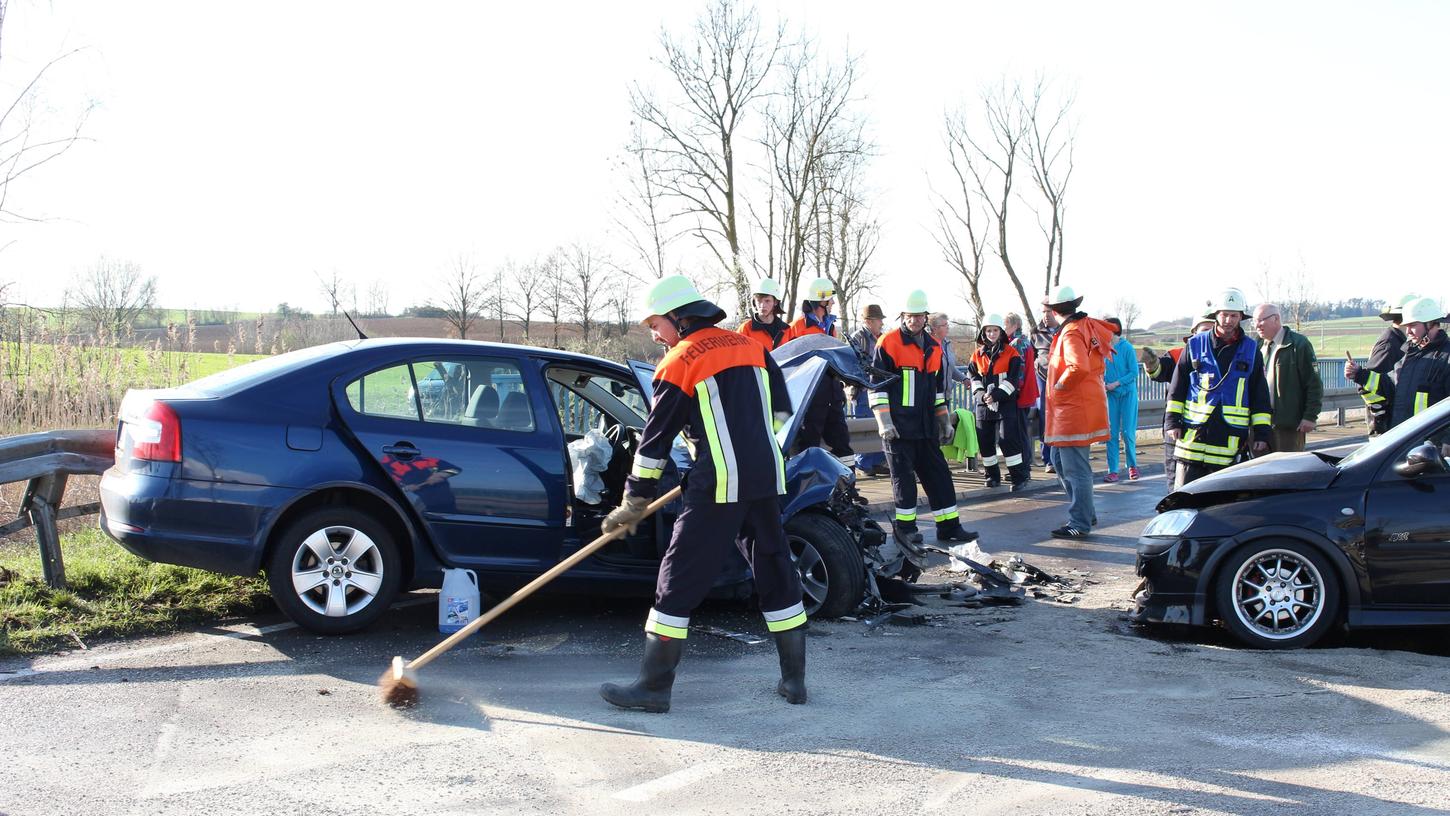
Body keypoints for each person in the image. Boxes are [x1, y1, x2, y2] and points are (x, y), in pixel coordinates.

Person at [599, 275, 807, 713]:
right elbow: (784, 410)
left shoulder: (680, 361)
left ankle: (653, 688)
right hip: (767, 477)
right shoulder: (752, 347)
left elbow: (653, 444)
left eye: (656, 323)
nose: (653, 334)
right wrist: (751, 446)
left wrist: (634, 500)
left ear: (678, 317)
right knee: (774, 568)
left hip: (718, 484)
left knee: (678, 576)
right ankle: (794, 682)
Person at [870, 289, 979, 547]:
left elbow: (937, 390)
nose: (914, 320)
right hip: (898, 428)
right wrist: (884, 422)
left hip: (926, 427)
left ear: (925, 317)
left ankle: (949, 527)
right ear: (903, 316)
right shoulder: (888, 343)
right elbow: (877, 387)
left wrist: (943, 421)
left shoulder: (933, 347)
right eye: (910, 316)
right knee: (904, 480)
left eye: (919, 316)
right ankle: (905, 530)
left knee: (939, 476)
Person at [1164, 288, 1271, 490]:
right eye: (1224, 314)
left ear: (1241, 317)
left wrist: (1262, 433)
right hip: (1191, 441)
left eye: (1234, 315)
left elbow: (1260, 394)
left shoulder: (1251, 350)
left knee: (1220, 505)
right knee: (1184, 499)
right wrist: (1172, 421)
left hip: (1228, 443)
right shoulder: (1195, 345)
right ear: (1216, 315)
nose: (1228, 320)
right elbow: (1178, 387)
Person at [1041, 285, 1116, 538]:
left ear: (1055, 311)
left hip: (1073, 410)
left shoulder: (1071, 332)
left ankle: (1080, 521)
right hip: (1077, 408)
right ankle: (1085, 513)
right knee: (1062, 462)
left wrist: (1059, 387)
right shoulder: (1082, 326)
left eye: (1047, 310)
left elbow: (1078, 367)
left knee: (1075, 468)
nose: (1045, 315)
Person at [782, 277, 855, 466]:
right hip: (809, 397)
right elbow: (787, 365)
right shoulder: (796, 328)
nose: (832, 302)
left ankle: (848, 489)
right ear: (821, 301)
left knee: (842, 444)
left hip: (832, 393)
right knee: (808, 446)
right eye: (830, 299)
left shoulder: (830, 326)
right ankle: (808, 492)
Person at [1139, 317, 1214, 494]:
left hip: (1212, 434)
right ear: (1193, 333)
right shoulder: (1178, 354)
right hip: (1179, 431)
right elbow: (1161, 371)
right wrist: (1152, 365)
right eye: (1204, 330)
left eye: (1212, 330)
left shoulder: (1228, 356)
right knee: (1178, 486)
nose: (1209, 336)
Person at [967, 314, 1030, 490]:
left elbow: (1013, 379)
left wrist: (995, 395)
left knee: (1008, 440)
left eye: (995, 330)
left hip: (1006, 404)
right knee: (985, 442)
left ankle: (1019, 478)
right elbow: (973, 378)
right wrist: (981, 396)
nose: (992, 334)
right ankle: (992, 476)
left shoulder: (1012, 353)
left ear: (1001, 332)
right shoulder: (976, 355)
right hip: (983, 405)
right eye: (988, 330)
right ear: (983, 332)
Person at [1253, 303, 1322, 453]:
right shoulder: (1256, 346)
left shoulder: (1298, 344)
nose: (1257, 325)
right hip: (1260, 426)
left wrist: (1310, 416)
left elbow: (1313, 383)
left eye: (1260, 320)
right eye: (1254, 321)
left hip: (1288, 426)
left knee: (1287, 470)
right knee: (1259, 473)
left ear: (1276, 319)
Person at [1345, 293, 1417, 435]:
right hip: (1385, 429)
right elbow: (1367, 385)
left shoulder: (1400, 341)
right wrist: (1381, 415)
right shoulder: (1389, 345)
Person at [1380, 296, 1450, 428]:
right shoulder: (1409, 355)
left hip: (1433, 443)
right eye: (1406, 326)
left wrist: (1447, 440)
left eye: (1412, 325)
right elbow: (1390, 386)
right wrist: (1359, 374)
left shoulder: (1447, 357)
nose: (1408, 331)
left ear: (1430, 324)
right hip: (1405, 437)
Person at [847, 304, 888, 477]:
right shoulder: (858, 338)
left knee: (877, 424)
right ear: (869, 321)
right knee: (864, 424)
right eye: (879, 320)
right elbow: (851, 363)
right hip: (862, 388)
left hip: (877, 387)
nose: (881, 323)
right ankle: (864, 464)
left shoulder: (880, 337)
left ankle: (877, 461)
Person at [1101, 317, 1140, 482]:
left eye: (1104, 328)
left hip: (1127, 395)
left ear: (1113, 329)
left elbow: (1134, 373)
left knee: (1127, 432)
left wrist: (1116, 383)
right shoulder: (1102, 349)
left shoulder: (1127, 348)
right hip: (1111, 396)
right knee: (1111, 433)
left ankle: (1132, 466)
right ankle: (1113, 471)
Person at [1004, 313, 1040, 470]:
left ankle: (1023, 467)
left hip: (1021, 394)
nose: (1003, 329)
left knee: (1019, 432)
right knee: (1022, 431)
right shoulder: (1025, 341)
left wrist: (1013, 390)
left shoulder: (1016, 343)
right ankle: (1025, 465)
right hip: (1028, 391)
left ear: (1014, 326)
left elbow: (1019, 369)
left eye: (1005, 325)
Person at [1031, 315, 1058, 472]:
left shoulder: (1066, 329)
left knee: (1062, 418)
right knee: (1044, 416)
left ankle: (1061, 457)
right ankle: (1048, 459)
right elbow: (1032, 356)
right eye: (1043, 312)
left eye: (1049, 312)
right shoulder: (1036, 332)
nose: (1046, 316)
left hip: (1062, 378)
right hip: (1042, 378)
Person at [930, 313, 969, 412]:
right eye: (944, 325)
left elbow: (949, 367)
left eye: (947, 324)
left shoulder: (946, 344)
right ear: (935, 328)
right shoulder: (928, 345)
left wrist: (963, 379)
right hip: (931, 398)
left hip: (945, 396)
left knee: (944, 425)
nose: (948, 327)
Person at [737, 277, 791, 350]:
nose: (762, 305)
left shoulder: (787, 330)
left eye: (767, 301)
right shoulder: (745, 330)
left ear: (775, 302)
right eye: (759, 301)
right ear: (754, 302)